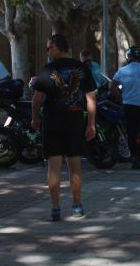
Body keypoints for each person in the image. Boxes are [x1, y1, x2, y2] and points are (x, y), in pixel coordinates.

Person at [31, 34, 97, 221]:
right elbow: (91, 98)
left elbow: (37, 99)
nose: (48, 51)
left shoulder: (47, 70)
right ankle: (77, 205)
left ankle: (55, 208)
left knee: (54, 166)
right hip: (75, 121)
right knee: (75, 165)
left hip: (52, 122)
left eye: (49, 48)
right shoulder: (82, 68)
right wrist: (91, 123)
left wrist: (35, 118)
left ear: (58, 47)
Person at [111, 46, 140, 170]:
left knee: (131, 132)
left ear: (128, 57)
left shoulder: (122, 71)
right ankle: (137, 155)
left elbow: (113, 86)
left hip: (128, 105)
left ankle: (135, 156)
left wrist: (120, 98)